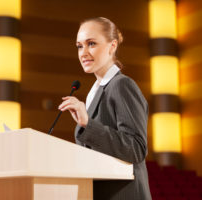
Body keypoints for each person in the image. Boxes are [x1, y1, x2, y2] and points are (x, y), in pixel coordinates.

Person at [58, 17, 152, 200]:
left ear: (112, 46)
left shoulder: (122, 85)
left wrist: (88, 124)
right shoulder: (95, 91)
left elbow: (137, 149)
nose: (83, 52)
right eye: (79, 46)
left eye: (91, 44)